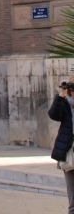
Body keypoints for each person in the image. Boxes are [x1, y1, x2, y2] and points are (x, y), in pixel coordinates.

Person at [48, 79, 74, 213]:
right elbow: (53, 114)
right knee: (73, 200)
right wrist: (61, 95)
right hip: (69, 154)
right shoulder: (65, 103)